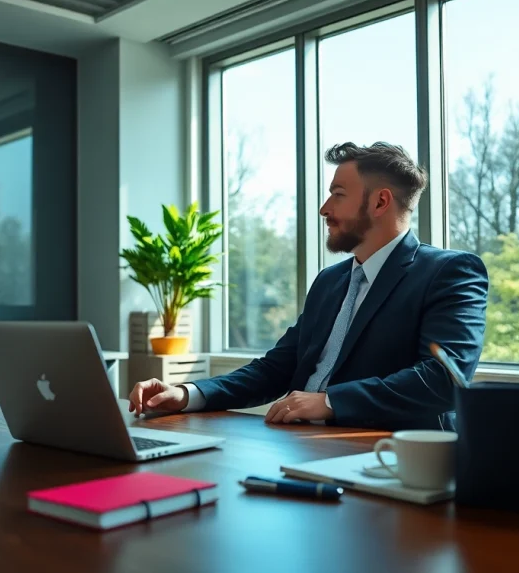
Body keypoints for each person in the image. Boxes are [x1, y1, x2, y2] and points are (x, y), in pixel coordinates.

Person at [127, 142, 489, 431]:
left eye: (338, 194)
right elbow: (276, 368)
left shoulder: (450, 272)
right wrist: (189, 393)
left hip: (385, 458)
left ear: (380, 201)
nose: (324, 208)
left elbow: (445, 378)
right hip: (300, 443)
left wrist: (330, 401)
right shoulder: (330, 281)